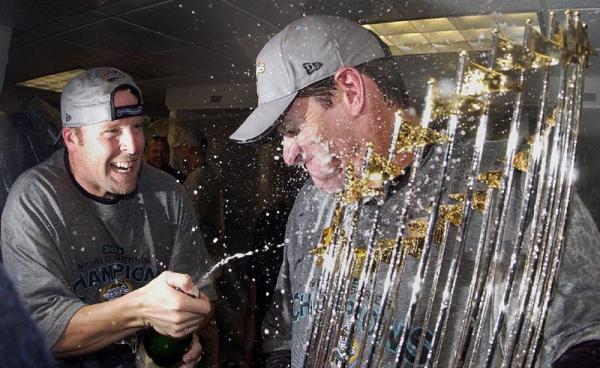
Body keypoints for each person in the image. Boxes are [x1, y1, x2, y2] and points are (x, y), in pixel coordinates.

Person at [229, 15, 600, 367]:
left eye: (292, 129)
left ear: (351, 90)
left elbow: (584, 334)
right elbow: (286, 328)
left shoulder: (506, 186)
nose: (288, 155)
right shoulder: (312, 203)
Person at [1, 67, 216, 368]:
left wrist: (185, 332)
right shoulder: (36, 200)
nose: (133, 146)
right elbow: (39, 327)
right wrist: (142, 308)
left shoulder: (167, 193)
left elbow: (202, 299)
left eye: (137, 127)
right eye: (112, 131)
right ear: (72, 138)